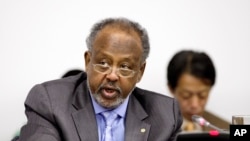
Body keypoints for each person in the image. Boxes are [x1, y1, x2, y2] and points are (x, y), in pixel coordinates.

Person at [18, 17, 183, 141]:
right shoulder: (50, 102)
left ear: (140, 71)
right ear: (88, 61)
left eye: (125, 67)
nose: (112, 75)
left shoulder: (166, 116)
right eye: (103, 63)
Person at [166, 50, 229, 132]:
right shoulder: (152, 130)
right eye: (186, 95)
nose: (194, 105)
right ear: (171, 89)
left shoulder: (225, 129)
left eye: (202, 95)